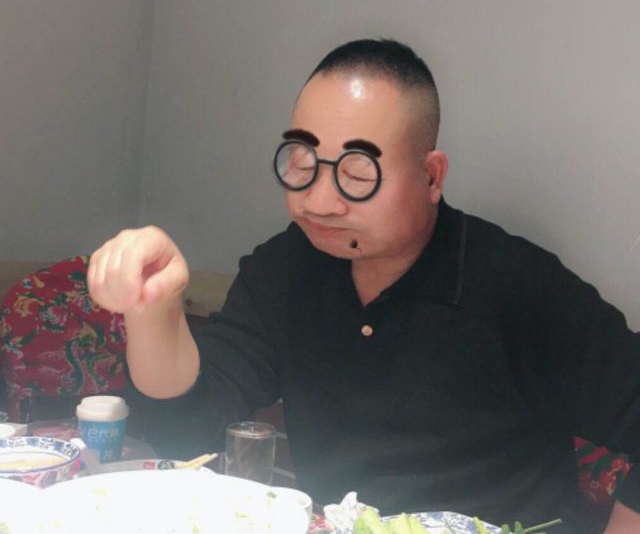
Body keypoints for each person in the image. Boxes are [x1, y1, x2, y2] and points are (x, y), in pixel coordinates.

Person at [88, 39, 640, 533]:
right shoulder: (287, 267)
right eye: (301, 161)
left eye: (356, 174)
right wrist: (153, 309)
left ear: (431, 176)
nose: (318, 200)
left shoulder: (517, 285)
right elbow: (188, 426)